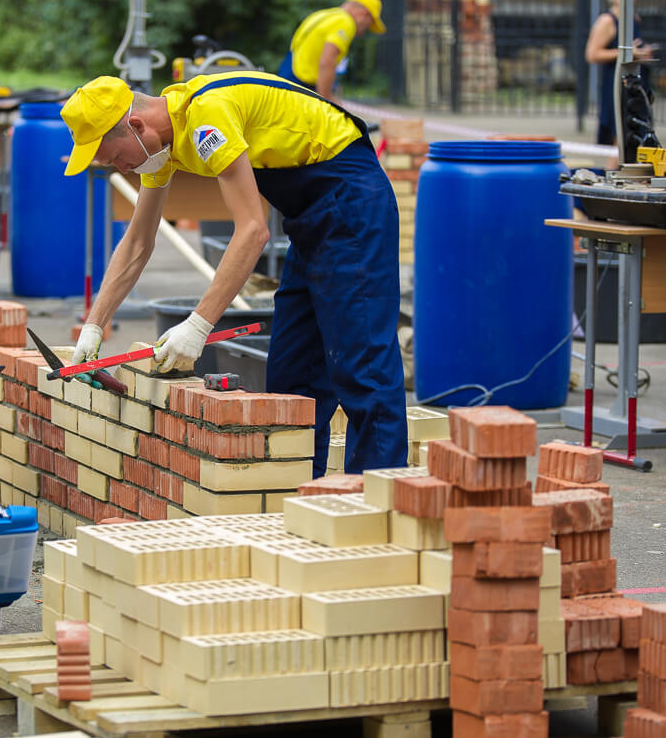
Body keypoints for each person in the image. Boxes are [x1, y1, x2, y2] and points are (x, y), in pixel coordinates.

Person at [62, 72, 407, 477]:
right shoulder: (163, 142)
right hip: (313, 218)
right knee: (294, 374)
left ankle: (379, 496)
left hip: (351, 202)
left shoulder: (207, 116)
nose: (120, 168)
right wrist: (95, 326)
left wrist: (198, 326)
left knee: (361, 364)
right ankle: (300, 496)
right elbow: (139, 241)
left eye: (115, 158)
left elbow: (252, 230)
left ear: (136, 127)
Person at [584, 0, 655, 148]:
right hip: (616, 83)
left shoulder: (633, 19)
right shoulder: (607, 21)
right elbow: (592, 54)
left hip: (636, 82)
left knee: (637, 135)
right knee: (621, 136)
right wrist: (626, 53)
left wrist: (643, 53)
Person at [277, 0, 385, 102]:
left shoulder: (323, 15)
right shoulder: (345, 22)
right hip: (301, 86)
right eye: (368, 24)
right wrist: (327, 99)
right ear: (364, 14)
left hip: (288, 78)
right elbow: (327, 62)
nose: (363, 31)